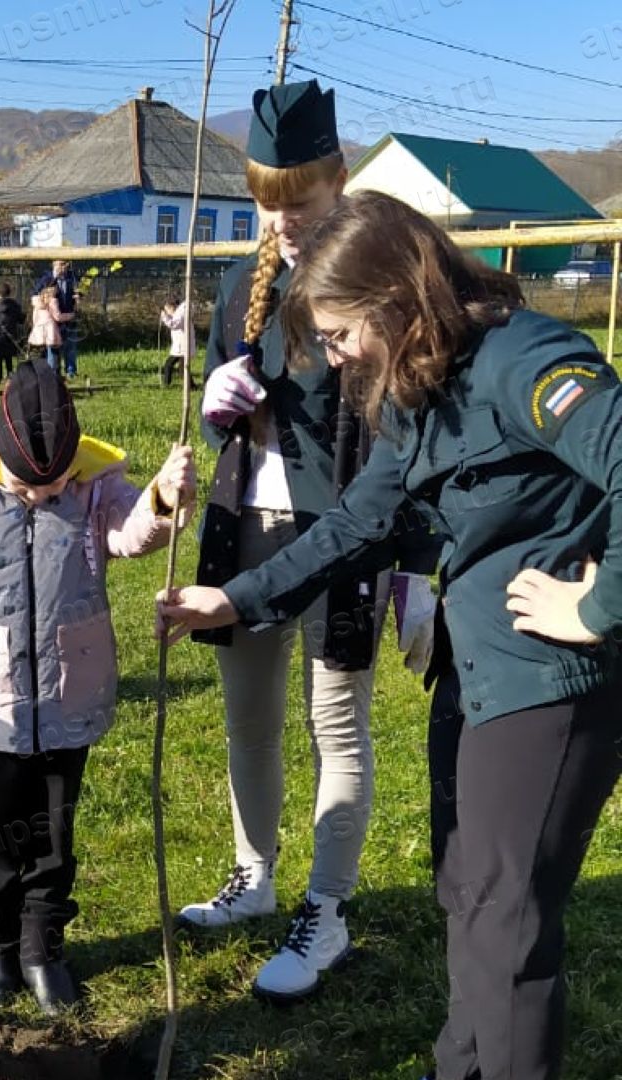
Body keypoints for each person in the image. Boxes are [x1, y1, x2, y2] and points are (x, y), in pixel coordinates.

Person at [158, 190, 622, 1080]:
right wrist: (237, 599)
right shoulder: (419, 379)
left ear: (396, 296)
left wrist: (596, 610)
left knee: (509, 917)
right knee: (466, 893)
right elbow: (359, 521)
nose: (333, 358)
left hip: (549, 681)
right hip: (476, 664)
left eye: (338, 335)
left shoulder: (524, 359)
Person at [176, 79, 438, 1001]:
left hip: (343, 539)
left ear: (339, 184)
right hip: (246, 528)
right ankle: (254, 876)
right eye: (267, 200)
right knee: (248, 718)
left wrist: (416, 569)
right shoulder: (237, 281)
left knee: (337, 725)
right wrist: (215, 407)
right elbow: (217, 384)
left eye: (302, 201)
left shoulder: (375, 279)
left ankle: (324, 909)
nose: (283, 219)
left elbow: (411, 437)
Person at [0, 361, 195, 1014]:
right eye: (24, 484)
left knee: (53, 832)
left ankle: (42, 948)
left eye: (53, 483)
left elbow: (131, 535)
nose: (39, 494)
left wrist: (162, 499)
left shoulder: (97, 490)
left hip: (71, 693)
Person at [34, 259, 80, 377]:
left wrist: (79, 296)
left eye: (66, 264)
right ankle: (53, 372)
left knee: (70, 346)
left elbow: (79, 291)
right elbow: (36, 293)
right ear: (54, 265)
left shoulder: (72, 277)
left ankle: (71, 371)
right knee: (53, 348)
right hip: (54, 322)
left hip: (69, 318)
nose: (64, 267)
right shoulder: (47, 278)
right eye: (61, 264)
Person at [0, 282, 24, 384]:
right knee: (8, 356)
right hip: (11, 334)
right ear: (10, 293)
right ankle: (9, 374)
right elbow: (21, 319)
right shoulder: (14, 305)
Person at [159, 294, 196, 388]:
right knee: (180, 367)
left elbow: (174, 324)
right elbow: (175, 322)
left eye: (168, 310)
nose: (168, 312)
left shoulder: (181, 313)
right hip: (181, 346)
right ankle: (191, 386)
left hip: (183, 346)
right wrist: (168, 316)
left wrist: (164, 317)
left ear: (172, 306)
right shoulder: (180, 313)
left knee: (176, 366)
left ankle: (167, 384)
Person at [28, 284, 67, 371]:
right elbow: (57, 317)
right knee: (52, 351)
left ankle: (40, 371)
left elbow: (34, 317)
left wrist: (35, 327)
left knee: (41, 352)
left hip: (39, 328)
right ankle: (52, 372)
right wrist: (70, 315)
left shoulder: (37, 301)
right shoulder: (53, 301)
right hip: (50, 329)